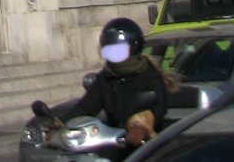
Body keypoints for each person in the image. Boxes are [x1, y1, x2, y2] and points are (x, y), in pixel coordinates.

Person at [69, 17, 169, 148]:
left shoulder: (150, 76)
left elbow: (158, 109)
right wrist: (59, 124)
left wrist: (140, 128)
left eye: (118, 49)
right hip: (114, 142)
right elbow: (85, 108)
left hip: (146, 146)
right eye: (110, 49)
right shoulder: (105, 78)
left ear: (133, 47)